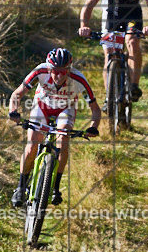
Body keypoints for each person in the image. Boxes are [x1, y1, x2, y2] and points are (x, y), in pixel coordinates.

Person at [8, 48, 100, 208]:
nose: (59, 75)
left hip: (66, 108)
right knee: (32, 145)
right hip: (42, 106)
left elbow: (95, 109)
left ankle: (56, 187)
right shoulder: (40, 71)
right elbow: (17, 94)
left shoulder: (79, 79)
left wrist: (94, 127)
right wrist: (13, 111)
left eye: (63, 71)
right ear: (49, 68)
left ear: (69, 69)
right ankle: (20, 187)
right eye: (55, 71)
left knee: (63, 139)